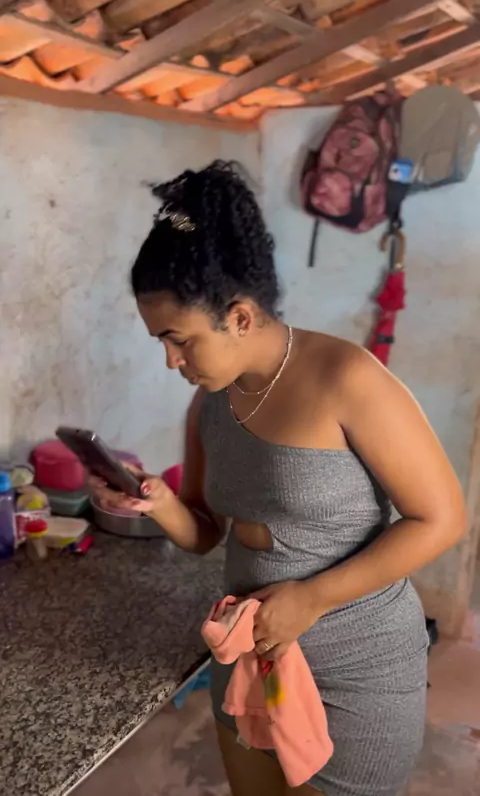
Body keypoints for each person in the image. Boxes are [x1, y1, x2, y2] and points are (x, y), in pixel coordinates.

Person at [92, 161, 467, 796]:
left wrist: (313, 599)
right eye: (161, 341)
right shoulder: (209, 402)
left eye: (179, 339)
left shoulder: (347, 378)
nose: (171, 360)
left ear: (239, 317)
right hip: (252, 655)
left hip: (356, 668)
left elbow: (443, 519)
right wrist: (154, 502)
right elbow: (206, 532)